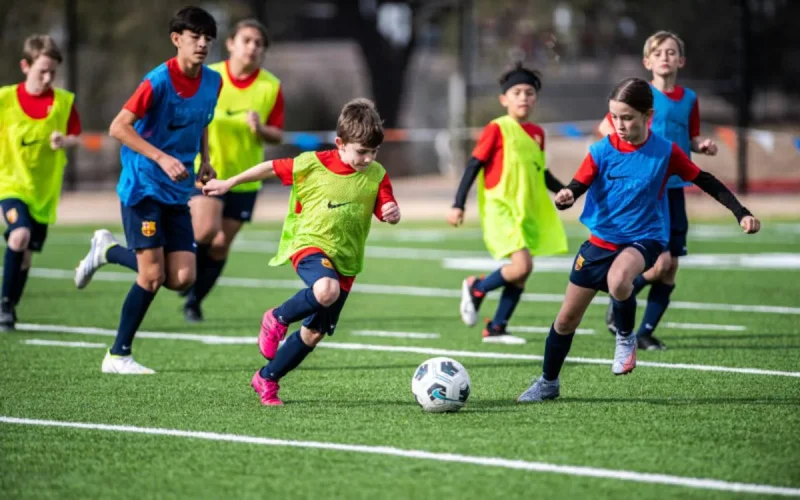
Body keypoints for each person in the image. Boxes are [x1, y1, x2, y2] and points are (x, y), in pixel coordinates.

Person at [517, 78, 760, 403]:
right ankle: (548, 382)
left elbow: (705, 180)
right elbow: (578, 184)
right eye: (615, 117)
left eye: (627, 117)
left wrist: (741, 212)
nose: (620, 124)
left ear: (648, 116)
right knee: (566, 319)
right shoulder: (601, 150)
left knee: (620, 279)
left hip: (645, 239)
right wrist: (566, 196)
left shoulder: (665, 151)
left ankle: (626, 337)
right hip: (599, 243)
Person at [202, 98, 400, 406]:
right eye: (361, 151)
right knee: (325, 290)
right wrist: (231, 182)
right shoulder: (313, 163)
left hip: (347, 260)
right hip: (310, 244)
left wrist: (391, 210)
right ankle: (276, 317)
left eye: (373, 152)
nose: (367, 158)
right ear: (340, 144)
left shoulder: (376, 174)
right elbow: (269, 167)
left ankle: (267, 378)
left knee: (313, 334)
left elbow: (385, 203)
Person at [74, 6, 221, 374]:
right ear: (177, 40)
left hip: (178, 188)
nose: (202, 44)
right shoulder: (157, 80)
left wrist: (205, 160)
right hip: (143, 185)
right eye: (195, 37)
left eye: (208, 38)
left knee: (182, 278)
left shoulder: (213, 82)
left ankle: (107, 251)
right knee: (152, 277)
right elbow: (118, 127)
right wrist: (160, 157)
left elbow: (203, 121)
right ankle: (118, 355)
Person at [599, 31, 718, 350]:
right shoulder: (641, 96)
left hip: (676, 189)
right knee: (660, 263)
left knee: (670, 267)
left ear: (681, 60)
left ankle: (645, 330)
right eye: (658, 52)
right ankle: (620, 294)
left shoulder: (690, 98)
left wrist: (701, 145)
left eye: (671, 52)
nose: (665, 57)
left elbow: (690, 137)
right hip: (648, 192)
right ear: (647, 61)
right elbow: (606, 127)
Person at [447, 62, 568, 344]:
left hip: (526, 209)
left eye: (529, 92)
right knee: (522, 265)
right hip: (499, 208)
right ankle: (477, 287)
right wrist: (458, 204)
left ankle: (497, 327)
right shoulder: (496, 128)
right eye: (517, 92)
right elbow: (473, 165)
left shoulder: (538, 133)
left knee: (522, 274)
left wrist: (565, 191)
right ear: (504, 99)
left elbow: (541, 172)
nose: (523, 97)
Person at [182, 18, 284, 322]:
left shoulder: (270, 86)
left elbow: (278, 134)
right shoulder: (209, 76)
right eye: (246, 40)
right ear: (231, 44)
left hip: (245, 177)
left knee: (221, 245)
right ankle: (183, 273)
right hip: (207, 170)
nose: (252, 47)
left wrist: (260, 128)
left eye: (259, 43)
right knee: (204, 231)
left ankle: (193, 300)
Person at [0, 34, 82, 331]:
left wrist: (65, 141)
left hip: (43, 192)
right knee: (19, 235)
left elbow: (77, 136)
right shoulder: (5, 99)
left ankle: (10, 305)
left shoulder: (63, 102)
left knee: (25, 257)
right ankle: (4, 307)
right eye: (41, 71)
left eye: (52, 72)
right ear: (25, 65)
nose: (48, 78)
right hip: (10, 184)